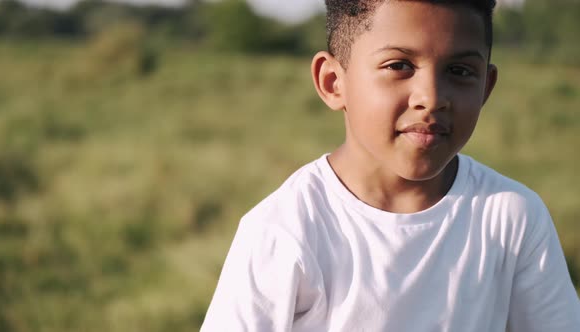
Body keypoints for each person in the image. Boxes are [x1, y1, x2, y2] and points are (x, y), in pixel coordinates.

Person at [200, 0, 580, 331]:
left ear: (486, 88)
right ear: (333, 82)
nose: (431, 98)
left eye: (460, 71)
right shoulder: (285, 230)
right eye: (399, 65)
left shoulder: (511, 216)